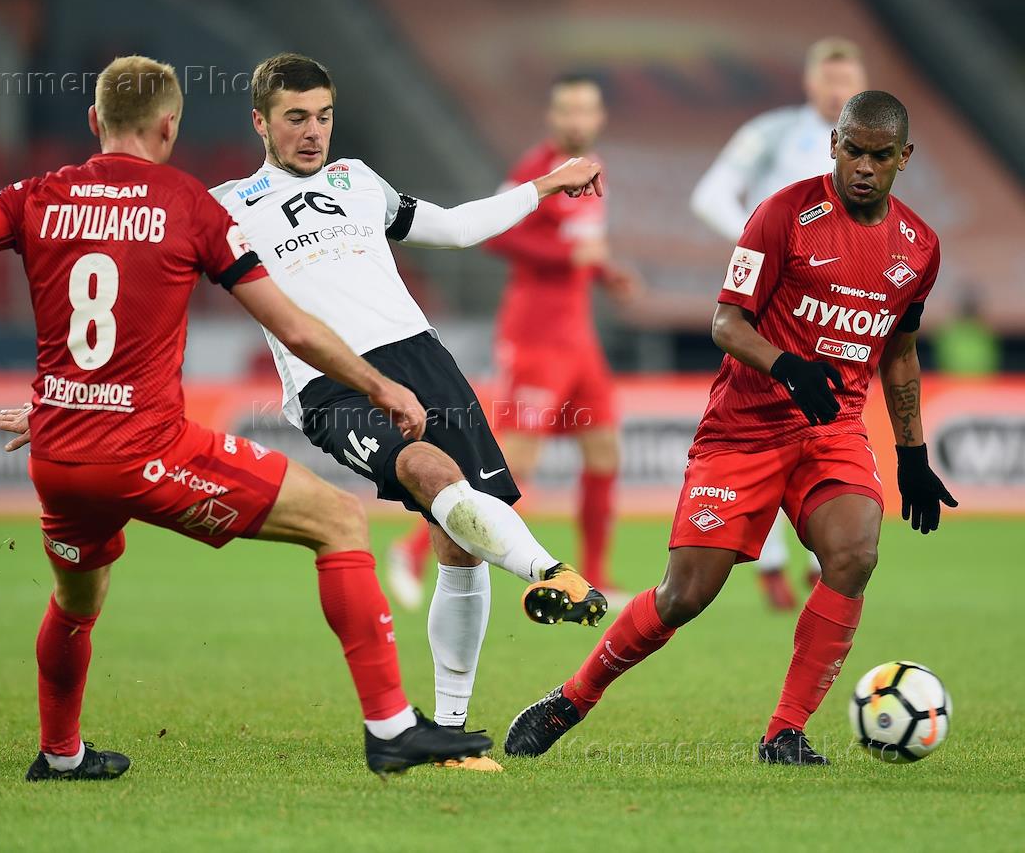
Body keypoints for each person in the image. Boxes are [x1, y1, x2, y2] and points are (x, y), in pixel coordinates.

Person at [0, 55, 491, 780]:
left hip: (59, 456)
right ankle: (392, 729)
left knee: (75, 602)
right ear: (170, 126)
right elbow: (296, 331)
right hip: (147, 452)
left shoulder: (37, 195)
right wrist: (379, 386)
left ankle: (61, 754)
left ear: (95, 120)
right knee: (339, 521)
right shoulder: (189, 204)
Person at [504, 90, 957, 765]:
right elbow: (726, 323)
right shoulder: (783, 215)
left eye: (881, 156)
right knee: (685, 595)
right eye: (854, 151)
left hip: (831, 430)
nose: (864, 167)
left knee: (855, 554)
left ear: (904, 157)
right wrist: (787, 367)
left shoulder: (919, 247)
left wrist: (913, 455)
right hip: (743, 430)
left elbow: (900, 351)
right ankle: (572, 696)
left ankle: (785, 732)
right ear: (834, 145)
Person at [208, 53, 609, 767]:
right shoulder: (225, 205)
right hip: (332, 381)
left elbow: (452, 228)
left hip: (422, 358)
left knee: (459, 544)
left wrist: (545, 185)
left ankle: (452, 732)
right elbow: (142, 270)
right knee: (426, 469)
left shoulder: (358, 181)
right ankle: (552, 572)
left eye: (324, 116)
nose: (313, 131)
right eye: (296, 118)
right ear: (260, 122)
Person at [388, 73, 641, 609]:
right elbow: (496, 237)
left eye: (586, 110)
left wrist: (606, 273)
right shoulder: (537, 170)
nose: (577, 120)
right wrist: (569, 258)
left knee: (604, 450)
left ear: (599, 118)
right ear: (553, 117)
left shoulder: (593, 168)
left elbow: (581, 245)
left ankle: (598, 571)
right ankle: (411, 549)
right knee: (512, 462)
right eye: (568, 110)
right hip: (535, 338)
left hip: (579, 339)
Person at [689, 37, 869, 610]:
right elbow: (710, 195)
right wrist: (760, 244)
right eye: (830, 79)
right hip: (773, 302)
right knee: (761, 422)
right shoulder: (771, 133)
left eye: (848, 80)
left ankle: (820, 558)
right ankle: (770, 564)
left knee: (830, 420)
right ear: (810, 82)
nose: (838, 90)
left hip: (838, 304)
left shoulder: (868, 148)